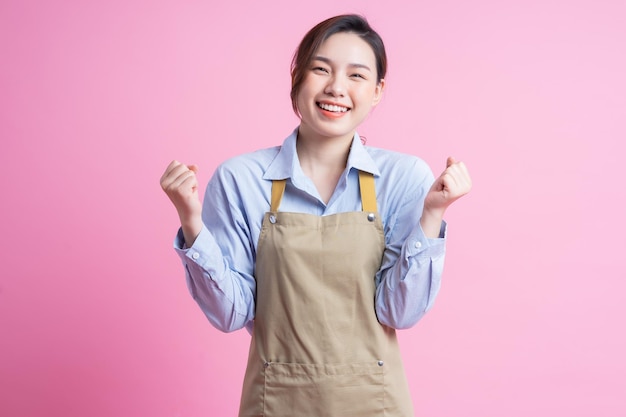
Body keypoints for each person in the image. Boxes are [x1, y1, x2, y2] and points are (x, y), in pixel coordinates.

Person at [160, 14, 471, 417]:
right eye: (320, 69)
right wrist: (191, 222)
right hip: (275, 402)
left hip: (374, 404)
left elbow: (399, 312)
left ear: (377, 92)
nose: (336, 88)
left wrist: (432, 214)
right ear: (297, 78)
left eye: (356, 76)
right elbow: (230, 313)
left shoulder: (403, 177)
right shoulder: (242, 178)